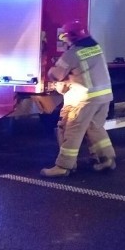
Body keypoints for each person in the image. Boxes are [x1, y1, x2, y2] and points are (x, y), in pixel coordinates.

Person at [40, 20, 116, 177]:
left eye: (64, 37)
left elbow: (56, 75)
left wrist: (52, 70)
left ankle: (63, 167)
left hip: (83, 99)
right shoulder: (96, 48)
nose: (64, 40)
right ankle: (106, 159)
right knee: (96, 128)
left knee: (71, 131)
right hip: (104, 97)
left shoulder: (72, 54)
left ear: (71, 37)